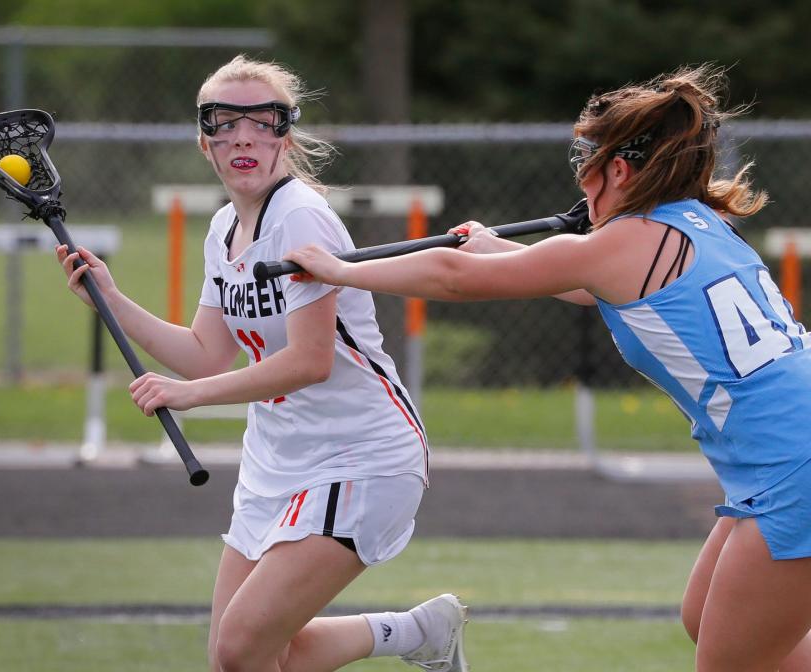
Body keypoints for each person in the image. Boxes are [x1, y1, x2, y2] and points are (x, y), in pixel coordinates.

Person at [285, 63, 811, 672]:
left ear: (619, 169)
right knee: (707, 619)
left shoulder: (621, 244)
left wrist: (342, 270)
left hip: (790, 467)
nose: (582, 181)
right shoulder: (697, 223)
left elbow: (455, 277)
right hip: (783, 454)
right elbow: (594, 285)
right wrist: (504, 252)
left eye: (587, 162)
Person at [56, 54, 468, 672]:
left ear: (285, 135)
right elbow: (206, 354)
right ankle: (415, 633)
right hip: (278, 460)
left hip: (360, 455)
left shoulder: (299, 218)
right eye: (225, 122)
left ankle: (416, 635)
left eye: (264, 121)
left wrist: (187, 398)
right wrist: (111, 300)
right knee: (242, 660)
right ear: (205, 141)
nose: (244, 136)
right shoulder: (224, 227)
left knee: (242, 647)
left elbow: (309, 362)